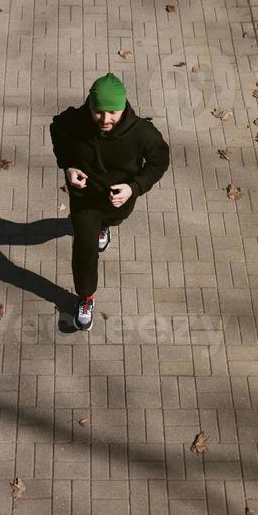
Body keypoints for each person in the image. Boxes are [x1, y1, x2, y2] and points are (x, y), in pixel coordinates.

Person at [50, 72, 170, 331]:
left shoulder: (143, 133)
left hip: (119, 201)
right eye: (98, 112)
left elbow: (159, 162)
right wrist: (68, 167)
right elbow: (56, 131)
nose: (105, 119)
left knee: (114, 220)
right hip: (84, 199)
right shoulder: (73, 121)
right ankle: (85, 296)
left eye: (112, 112)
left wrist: (133, 188)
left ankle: (105, 227)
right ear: (90, 106)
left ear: (123, 106)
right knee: (85, 247)